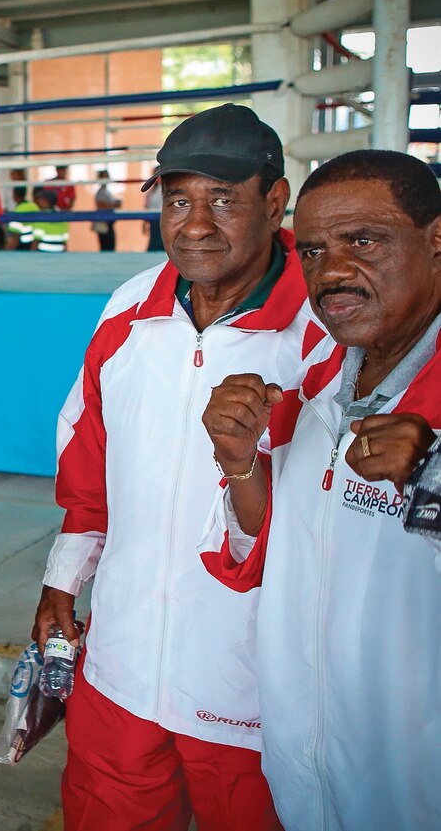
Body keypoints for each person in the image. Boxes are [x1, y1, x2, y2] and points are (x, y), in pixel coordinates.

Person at [32, 104, 322, 831]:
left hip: (256, 692)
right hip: (120, 669)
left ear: (275, 201)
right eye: (178, 200)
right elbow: (89, 461)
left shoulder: (323, 327)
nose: (194, 225)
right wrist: (64, 578)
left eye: (223, 200)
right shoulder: (131, 307)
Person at [200, 149, 441, 831]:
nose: (332, 271)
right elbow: (275, 545)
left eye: (364, 241)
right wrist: (239, 462)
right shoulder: (314, 384)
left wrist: (433, 478)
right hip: (308, 774)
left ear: (436, 240)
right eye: (312, 250)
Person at [30, 186, 69, 252]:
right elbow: (64, 244)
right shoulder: (62, 217)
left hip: (43, 255)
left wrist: (30, 256)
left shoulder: (41, 218)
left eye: (41, 199)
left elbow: (35, 243)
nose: (38, 201)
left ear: (47, 201)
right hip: (59, 254)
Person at [92, 170, 120, 252]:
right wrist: (114, 205)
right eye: (103, 177)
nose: (105, 179)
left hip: (109, 223)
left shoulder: (107, 192)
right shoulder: (100, 192)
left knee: (110, 246)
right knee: (106, 246)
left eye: (106, 177)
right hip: (104, 222)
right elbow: (101, 206)